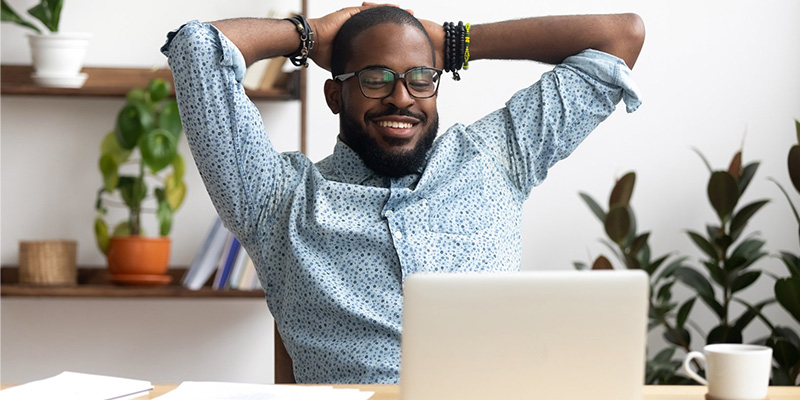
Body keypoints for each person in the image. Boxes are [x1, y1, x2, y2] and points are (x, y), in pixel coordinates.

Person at [161, 2, 644, 384]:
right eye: (375, 78)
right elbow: (197, 49)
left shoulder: (497, 157)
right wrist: (310, 37)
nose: (402, 97)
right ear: (335, 96)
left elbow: (619, 37)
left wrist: (452, 42)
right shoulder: (274, 199)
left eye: (420, 78)